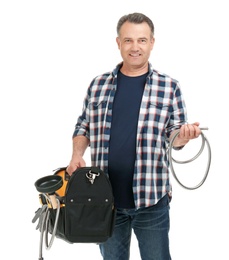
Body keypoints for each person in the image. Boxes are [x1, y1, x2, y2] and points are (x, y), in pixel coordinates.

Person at [66, 12, 201, 260]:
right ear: (118, 43)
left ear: (151, 43)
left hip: (152, 200)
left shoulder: (170, 87)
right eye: (128, 40)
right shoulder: (98, 84)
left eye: (141, 40)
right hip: (105, 200)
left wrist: (183, 137)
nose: (135, 47)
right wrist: (76, 155)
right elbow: (83, 125)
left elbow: (174, 136)